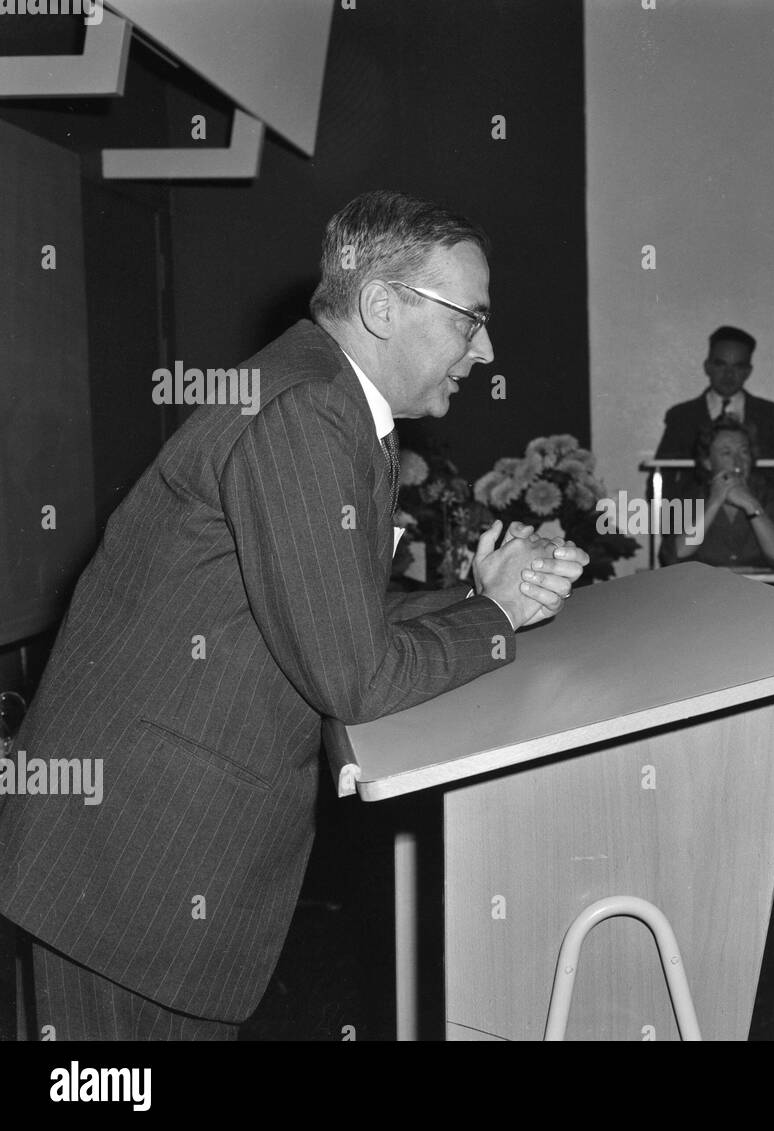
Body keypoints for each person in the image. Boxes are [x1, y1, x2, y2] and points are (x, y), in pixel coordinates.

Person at [0, 190, 589, 1040]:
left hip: (147, 848)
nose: (485, 349)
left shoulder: (332, 402)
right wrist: (495, 615)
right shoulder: (307, 412)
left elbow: (321, 610)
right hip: (133, 859)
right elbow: (352, 674)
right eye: (471, 320)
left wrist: (475, 594)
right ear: (383, 307)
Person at [653, 325, 774, 499]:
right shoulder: (681, 416)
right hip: (695, 517)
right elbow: (661, 476)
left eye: (738, 366)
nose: (728, 374)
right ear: (707, 367)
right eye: (720, 365)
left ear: (748, 371)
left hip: (756, 516)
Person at [659, 417, 774, 569]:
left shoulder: (770, 496)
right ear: (707, 462)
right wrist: (714, 502)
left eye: (744, 452)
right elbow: (675, 556)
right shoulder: (688, 498)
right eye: (726, 453)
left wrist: (751, 505)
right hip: (704, 588)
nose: (738, 462)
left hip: (760, 588)